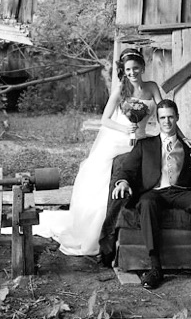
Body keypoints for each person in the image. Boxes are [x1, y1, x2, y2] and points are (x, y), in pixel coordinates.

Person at [36, 48, 163, 256]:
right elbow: (105, 120)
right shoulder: (120, 91)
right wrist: (125, 129)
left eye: (136, 68)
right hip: (120, 137)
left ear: (143, 68)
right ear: (124, 70)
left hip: (141, 136)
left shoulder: (151, 87)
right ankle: (100, 227)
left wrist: (164, 130)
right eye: (128, 69)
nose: (132, 73)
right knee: (105, 174)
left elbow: (163, 108)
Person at [110, 98, 191, 290]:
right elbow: (127, 169)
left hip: (181, 191)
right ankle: (155, 267)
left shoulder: (189, 146)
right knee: (146, 203)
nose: (167, 121)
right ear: (157, 120)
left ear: (177, 118)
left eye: (171, 117)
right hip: (155, 192)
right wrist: (122, 182)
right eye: (163, 117)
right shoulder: (145, 145)